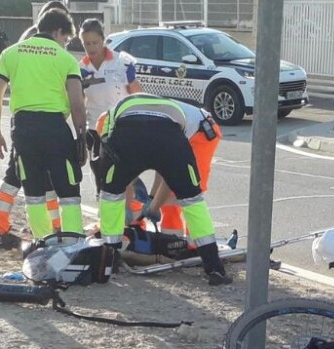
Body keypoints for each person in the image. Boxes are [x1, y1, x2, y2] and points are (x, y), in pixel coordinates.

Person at [90, 93, 232, 285]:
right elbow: (164, 163)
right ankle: (215, 268)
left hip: (201, 131)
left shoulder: (110, 122)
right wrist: (149, 199)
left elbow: (118, 164)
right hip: (170, 137)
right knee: (192, 199)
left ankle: (108, 259)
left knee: (111, 195)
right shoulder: (147, 109)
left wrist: (150, 204)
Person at [0, 1, 71, 249]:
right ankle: (49, 230)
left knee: (16, 177)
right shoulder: (48, 49)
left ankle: (3, 222)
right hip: (42, 126)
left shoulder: (25, 43)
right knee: (38, 182)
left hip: (24, 127)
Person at [78, 18, 145, 222]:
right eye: (86, 44)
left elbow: (137, 93)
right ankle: (107, 220)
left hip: (121, 127)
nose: (91, 48)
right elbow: (78, 101)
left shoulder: (122, 62)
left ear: (103, 40)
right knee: (101, 178)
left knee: (125, 175)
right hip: (94, 130)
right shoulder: (80, 68)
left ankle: (134, 218)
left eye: (95, 43)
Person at [143, 101, 221, 239]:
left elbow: (171, 174)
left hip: (201, 133)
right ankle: (171, 242)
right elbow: (162, 165)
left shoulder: (152, 127)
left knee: (191, 191)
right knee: (169, 197)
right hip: (189, 131)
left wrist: (154, 207)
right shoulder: (143, 125)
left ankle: (197, 244)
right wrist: (152, 197)